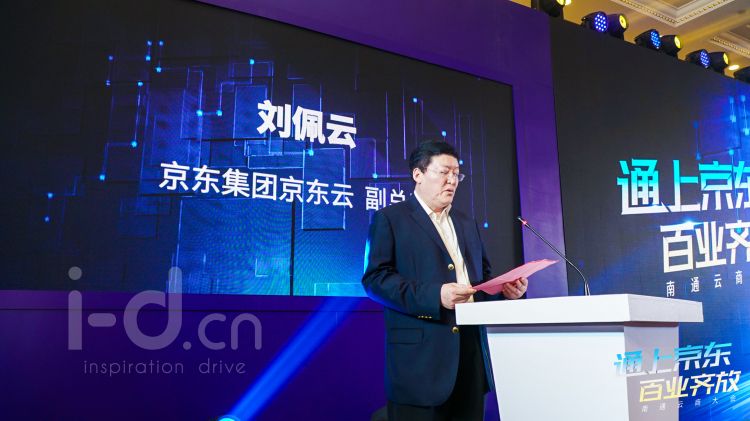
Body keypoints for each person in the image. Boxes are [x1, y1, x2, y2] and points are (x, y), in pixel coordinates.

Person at [362, 140, 527, 420]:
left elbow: (481, 280)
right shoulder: (390, 219)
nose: (452, 181)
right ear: (418, 174)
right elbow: (375, 280)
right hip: (421, 363)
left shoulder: (466, 223)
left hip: (470, 358)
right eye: (444, 172)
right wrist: (435, 296)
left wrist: (504, 292)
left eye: (457, 174)